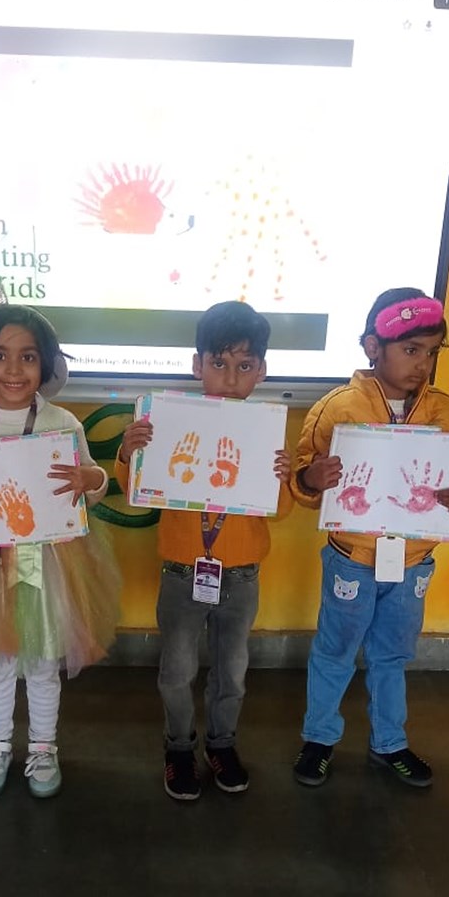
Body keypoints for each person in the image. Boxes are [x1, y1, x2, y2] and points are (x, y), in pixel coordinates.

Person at [0, 303, 120, 799]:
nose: (13, 369)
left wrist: (91, 478)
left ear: (47, 365)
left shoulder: (62, 421)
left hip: (47, 562)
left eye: (28, 357)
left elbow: (93, 484)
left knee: (43, 662)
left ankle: (43, 747)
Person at [291, 288, 449, 789]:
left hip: (414, 560)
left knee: (393, 655)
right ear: (373, 346)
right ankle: (319, 739)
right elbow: (301, 477)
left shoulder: (447, 412)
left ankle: (389, 742)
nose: (422, 364)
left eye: (432, 352)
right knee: (335, 651)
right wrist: (312, 477)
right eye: (411, 350)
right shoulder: (338, 408)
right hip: (351, 558)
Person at [115, 300, 293, 801]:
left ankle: (222, 743)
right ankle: (178, 748)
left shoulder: (264, 431)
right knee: (177, 670)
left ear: (261, 370)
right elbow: (136, 490)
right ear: (197, 365)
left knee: (232, 671)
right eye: (218, 363)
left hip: (242, 574)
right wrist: (130, 452)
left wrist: (281, 477)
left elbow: (280, 510)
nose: (230, 379)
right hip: (181, 571)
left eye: (244, 366)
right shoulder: (171, 423)